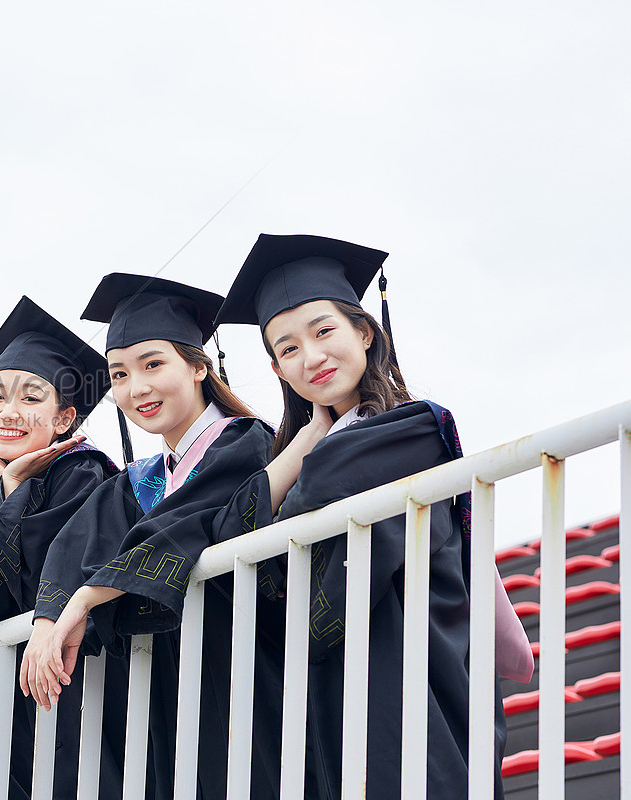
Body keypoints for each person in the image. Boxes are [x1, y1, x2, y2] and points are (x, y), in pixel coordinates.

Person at [213, 233, 531, 798]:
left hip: (412, 680)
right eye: (287, 349)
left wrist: (304, 464)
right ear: (276, 368)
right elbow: (229, 530)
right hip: (327, 692)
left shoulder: (411, 430)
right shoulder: (311, 445)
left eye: (324, 330)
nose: (311, 357)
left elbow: (292, 507)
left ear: (363, 330)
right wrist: (309, 434)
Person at [25, 274, 279, 799]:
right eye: (119, 374)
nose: (135, 387)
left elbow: (188, 522)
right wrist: (49, 618)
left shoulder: (247, 445)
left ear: (198, 367)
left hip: (244, 673)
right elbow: (75, 541)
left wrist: (86, 598)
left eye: (153, 364)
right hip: (168, 689)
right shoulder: (135, 482)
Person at [0, 295, 124, 799]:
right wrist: (2, 486)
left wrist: (10, 489)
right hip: (14, 703)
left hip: (78, 693)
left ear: (64, 420)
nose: (7, 412)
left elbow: (46, 577)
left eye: (31, 397)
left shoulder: (85, 475)